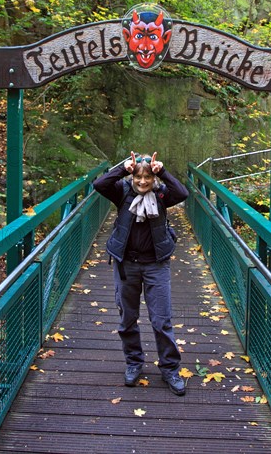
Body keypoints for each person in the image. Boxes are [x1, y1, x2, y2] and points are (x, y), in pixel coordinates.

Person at [93, 151, 189, 396]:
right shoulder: (122, 191)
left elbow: (182, 193)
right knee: (127, 318)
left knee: (161, 320)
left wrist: (163, 172)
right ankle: (134, 363)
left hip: (156, 264)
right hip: (126, 264)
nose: (143, 182)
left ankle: (169, 369)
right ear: (132, 177)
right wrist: (123, 169)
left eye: (147, 177)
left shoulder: (161, 195)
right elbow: (98, 184)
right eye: (138, 177)